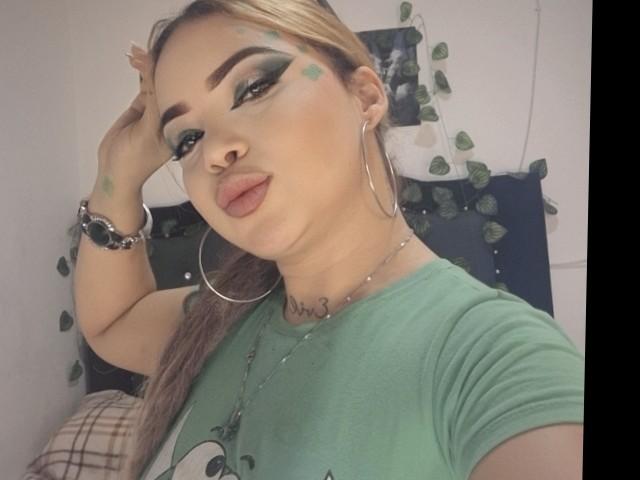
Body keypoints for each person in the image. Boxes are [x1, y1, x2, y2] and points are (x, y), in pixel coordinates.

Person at [73, 1, 585, 479]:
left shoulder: (491, 356)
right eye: (186, 138)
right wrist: (118, 170)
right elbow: (111, 321)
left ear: (365, 96)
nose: (213, 153)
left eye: (253, 88)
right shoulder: (220, 322)